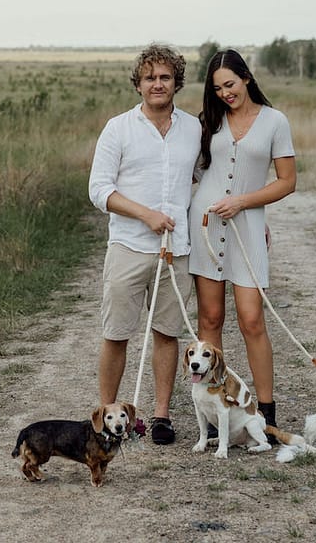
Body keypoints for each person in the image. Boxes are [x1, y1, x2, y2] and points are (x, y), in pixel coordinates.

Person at [88, 43, 201, 445]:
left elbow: (202, 179)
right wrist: (146, 214)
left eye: (165, 77)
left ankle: (160, 417)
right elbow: (99, 190)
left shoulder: (193, 129)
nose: (158, 83)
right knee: (117, 333)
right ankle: (106, 419)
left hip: (176, 249)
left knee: (167, 332)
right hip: (129, 246)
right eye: (150, 77)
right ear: (138, 84)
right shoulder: (118, 128)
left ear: (176, 83)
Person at [188, 48, 296, 439]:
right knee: (210, 320)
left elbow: (287, 181)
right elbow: (195, 174)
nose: (225, 93)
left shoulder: (274, 122)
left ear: (246, 78)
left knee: (252, 320)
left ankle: (265, 413)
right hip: (205, 228)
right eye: (217, 88)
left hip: (245, 225)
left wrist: (245, 204)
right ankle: (217, 409)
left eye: (230, 84)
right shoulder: (208, 122)